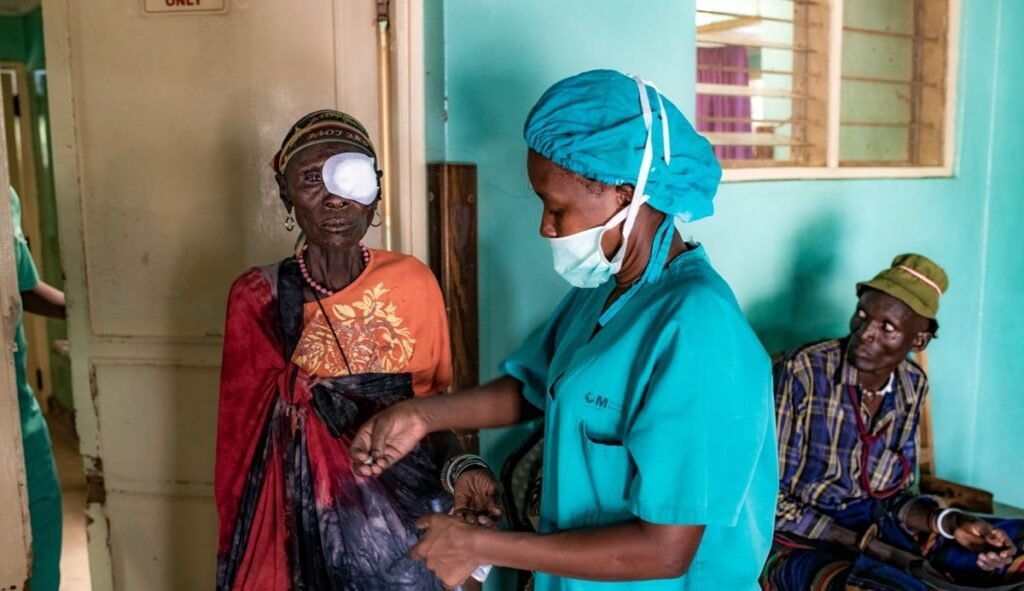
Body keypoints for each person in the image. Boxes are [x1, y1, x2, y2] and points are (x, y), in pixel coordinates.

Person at [347, 70, 779, 591]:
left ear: (626, 195)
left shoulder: (697, 328)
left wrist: (478, 545)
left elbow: (666, 552)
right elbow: (534, 388)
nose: (545, 227)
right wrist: (420, 416)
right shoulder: (604, 288)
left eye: (557, 208)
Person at [214, 110, 502, 591]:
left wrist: (461, 466)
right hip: (305, 538)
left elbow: (433, 413)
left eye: (349, 177)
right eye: (310, 179)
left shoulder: (414, 283)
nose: (332, 197)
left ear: (376, 191)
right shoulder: (257, 299)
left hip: (413, 529)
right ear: (285, 193)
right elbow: (244, 455)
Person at [763, 254, 1024, 590]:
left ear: (919, 340)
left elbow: (895, 494)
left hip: (882, 528)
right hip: (801, 538)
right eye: (861, 315)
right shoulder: (804, 372)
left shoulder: (911, 386)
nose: (865, 334)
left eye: (887, 327)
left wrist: (949, 522)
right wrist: (865, 545)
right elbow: (768, 498)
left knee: (1011, 544)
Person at [8, 186, 67, 591]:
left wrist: (89, 311)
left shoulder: (5, 192)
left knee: (40, 543)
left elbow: (21, 286)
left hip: (15, 408)